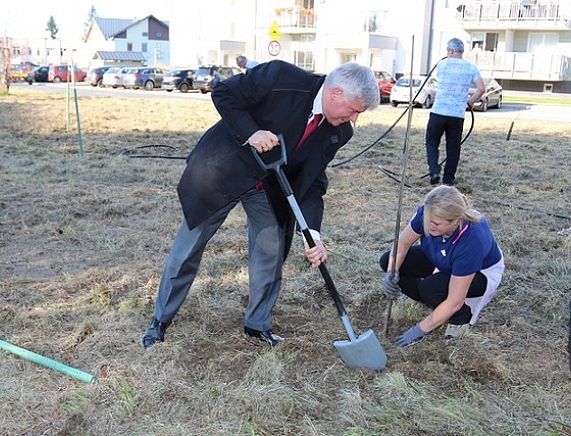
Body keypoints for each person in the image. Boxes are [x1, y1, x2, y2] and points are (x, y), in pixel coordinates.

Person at [143, 60, 380, 349]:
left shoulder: (339, 132)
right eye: (354, 110)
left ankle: (257, 324)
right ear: (335, 93)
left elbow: (313, 181)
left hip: (269, 186)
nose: (354, 119)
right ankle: (160, 320)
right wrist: (252, 133)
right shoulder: (281, 77)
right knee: (188, 247)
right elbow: (224, 93)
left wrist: (313, 233)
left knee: (270, 251)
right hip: (224, 171)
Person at [380, 185, 505, 347]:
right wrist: (391, 272)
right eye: (428, 221)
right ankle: (435, 304)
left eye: (436, 224)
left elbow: (455, 301)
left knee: (431, 289)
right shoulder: (428, 213)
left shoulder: (472, 241)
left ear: (456, 221)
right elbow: (402, 244)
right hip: (442, 256)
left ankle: (461, 317)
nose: (429, 225)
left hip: (480, 272)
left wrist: (417, 331)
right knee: (387, 261)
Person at [425, 38, 485, 186]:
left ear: (451, 51)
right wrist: (470, 102)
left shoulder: (441, 65)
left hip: (438, 111)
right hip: (457, 115)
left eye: (447, 50)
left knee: (432, 143)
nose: (447, 53)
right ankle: (448, 180)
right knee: (453, 148)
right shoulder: (471, 68)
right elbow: (481, 88)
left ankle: (434, 171)